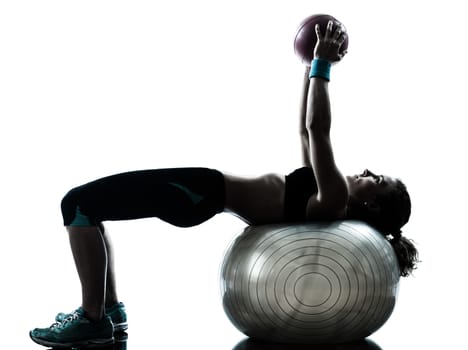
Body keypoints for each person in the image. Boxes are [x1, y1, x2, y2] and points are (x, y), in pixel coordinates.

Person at [30, 21, 418, 348]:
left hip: (201, 192)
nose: (367, 172)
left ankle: (93, 318)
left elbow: (320, 129)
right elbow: (304, 132)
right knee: (90, 208)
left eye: (376, 180)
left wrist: (324, 65)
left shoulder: (334, 198)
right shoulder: (326, 196)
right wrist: (307, 68)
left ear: (372, 207)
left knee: (77, 204)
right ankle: (108, 310)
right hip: (202, 192)